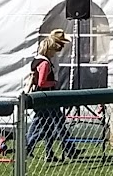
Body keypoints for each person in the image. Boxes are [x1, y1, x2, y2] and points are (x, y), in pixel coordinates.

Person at [25, 30, 78, 161]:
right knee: (55, 124)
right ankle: (68, 148)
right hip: (46, 96)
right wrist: (54, 82)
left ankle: (45, 151)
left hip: (42, 96)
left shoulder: (37, 59)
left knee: (44, 124)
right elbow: (42, 82)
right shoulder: (45, 63)